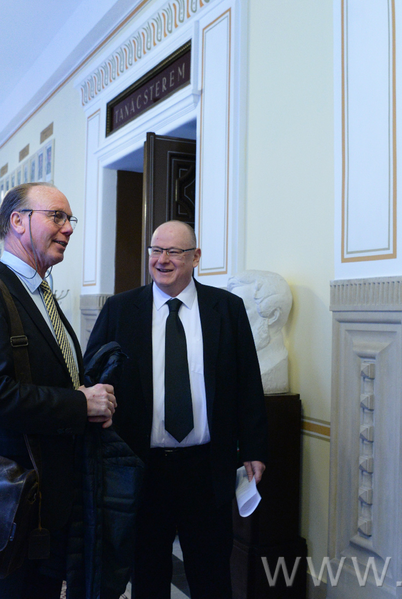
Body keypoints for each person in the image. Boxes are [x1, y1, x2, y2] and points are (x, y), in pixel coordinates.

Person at [0, 182, 116, 599]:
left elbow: (44, 378)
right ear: (18, 221)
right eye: (56, 216)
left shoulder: (40, 294)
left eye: (69, 219)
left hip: (46, 500)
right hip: (3, 502)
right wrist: (79, 403)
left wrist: (88, 395)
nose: (68, 228)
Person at [84, 220, 268, 598]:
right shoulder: (121, 309)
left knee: (211, 575)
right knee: (147, 574)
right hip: (143, 468)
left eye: (174, 252)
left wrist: (253, 448)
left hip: (206, 468)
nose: (162, 260)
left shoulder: (226, 309)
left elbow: (248, 382)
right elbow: (92, 376)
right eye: (156, 250)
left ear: (195, 257)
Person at [227, 270, 293, 394]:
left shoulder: (272, 366)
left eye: (242, 310)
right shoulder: (233, 360)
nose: (232, 318)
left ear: (273, 316)